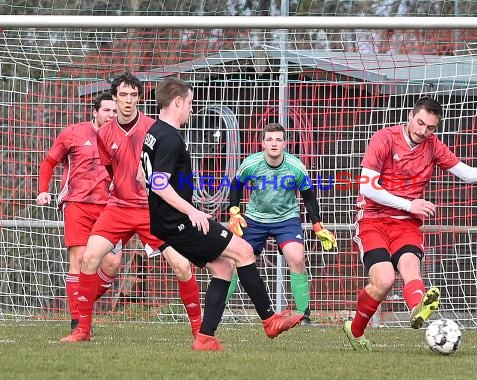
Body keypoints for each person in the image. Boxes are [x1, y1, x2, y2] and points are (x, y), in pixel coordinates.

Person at [344, 96, 477, 351]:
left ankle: (418, 309)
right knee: (385, 280)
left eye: (430, 127)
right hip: (374, 219)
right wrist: (409, 204)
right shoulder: (385, 138)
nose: (423, 131)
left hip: (406, 224)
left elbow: (466, 173)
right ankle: (355, 330)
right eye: (420, 123)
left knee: (411, 266)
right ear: (410, 116)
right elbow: (368, 187)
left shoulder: (433, 146)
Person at [141, 77, 304, 351]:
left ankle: (205, 338)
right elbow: (158, 183)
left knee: (224, 267)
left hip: (164, 222)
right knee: (244, 251)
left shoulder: (154, 132)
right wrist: (191, 210)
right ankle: (269, 319)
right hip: (177, 222)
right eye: (190, 103)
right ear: (178, 102)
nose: (192, 109)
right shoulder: (169, 137)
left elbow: (141, 175)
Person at [60, 72, 202, 342]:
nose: (128, 100)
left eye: (133, 95)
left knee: (182, 266)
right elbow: (111, 169)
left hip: (152, 210)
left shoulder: (155, 129)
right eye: (123, 95)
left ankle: (200, 334)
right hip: (118, 208)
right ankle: (82, 330)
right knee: (89, 259)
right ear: (114, 98)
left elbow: (171, 171)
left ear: (140, 98)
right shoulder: (104, 133)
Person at [225, 122, 337, 323]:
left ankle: (304, 315)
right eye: (269, 139)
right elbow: (235, 185)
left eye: (278, 139)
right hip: (255, 220)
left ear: (285, 143)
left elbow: (309, 197)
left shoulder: (296, 167)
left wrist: (317, 225)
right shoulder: (251, 164)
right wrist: (234, 212)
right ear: (262, 144)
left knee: (297, 259)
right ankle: (219, 309)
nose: (274, 143)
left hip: (287, 220)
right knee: (233, 262)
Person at [36, 92, 122, 331]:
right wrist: (44, 190)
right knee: (80, 260)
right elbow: (49, 161)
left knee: (112, 263)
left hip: (110, 208)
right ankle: (78, 321)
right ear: (95, 112)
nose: (111, 115)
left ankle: (81, 303)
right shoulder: (74, 132)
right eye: (107, 110)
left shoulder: (123, 137)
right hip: (77, 203)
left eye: (115, 111)